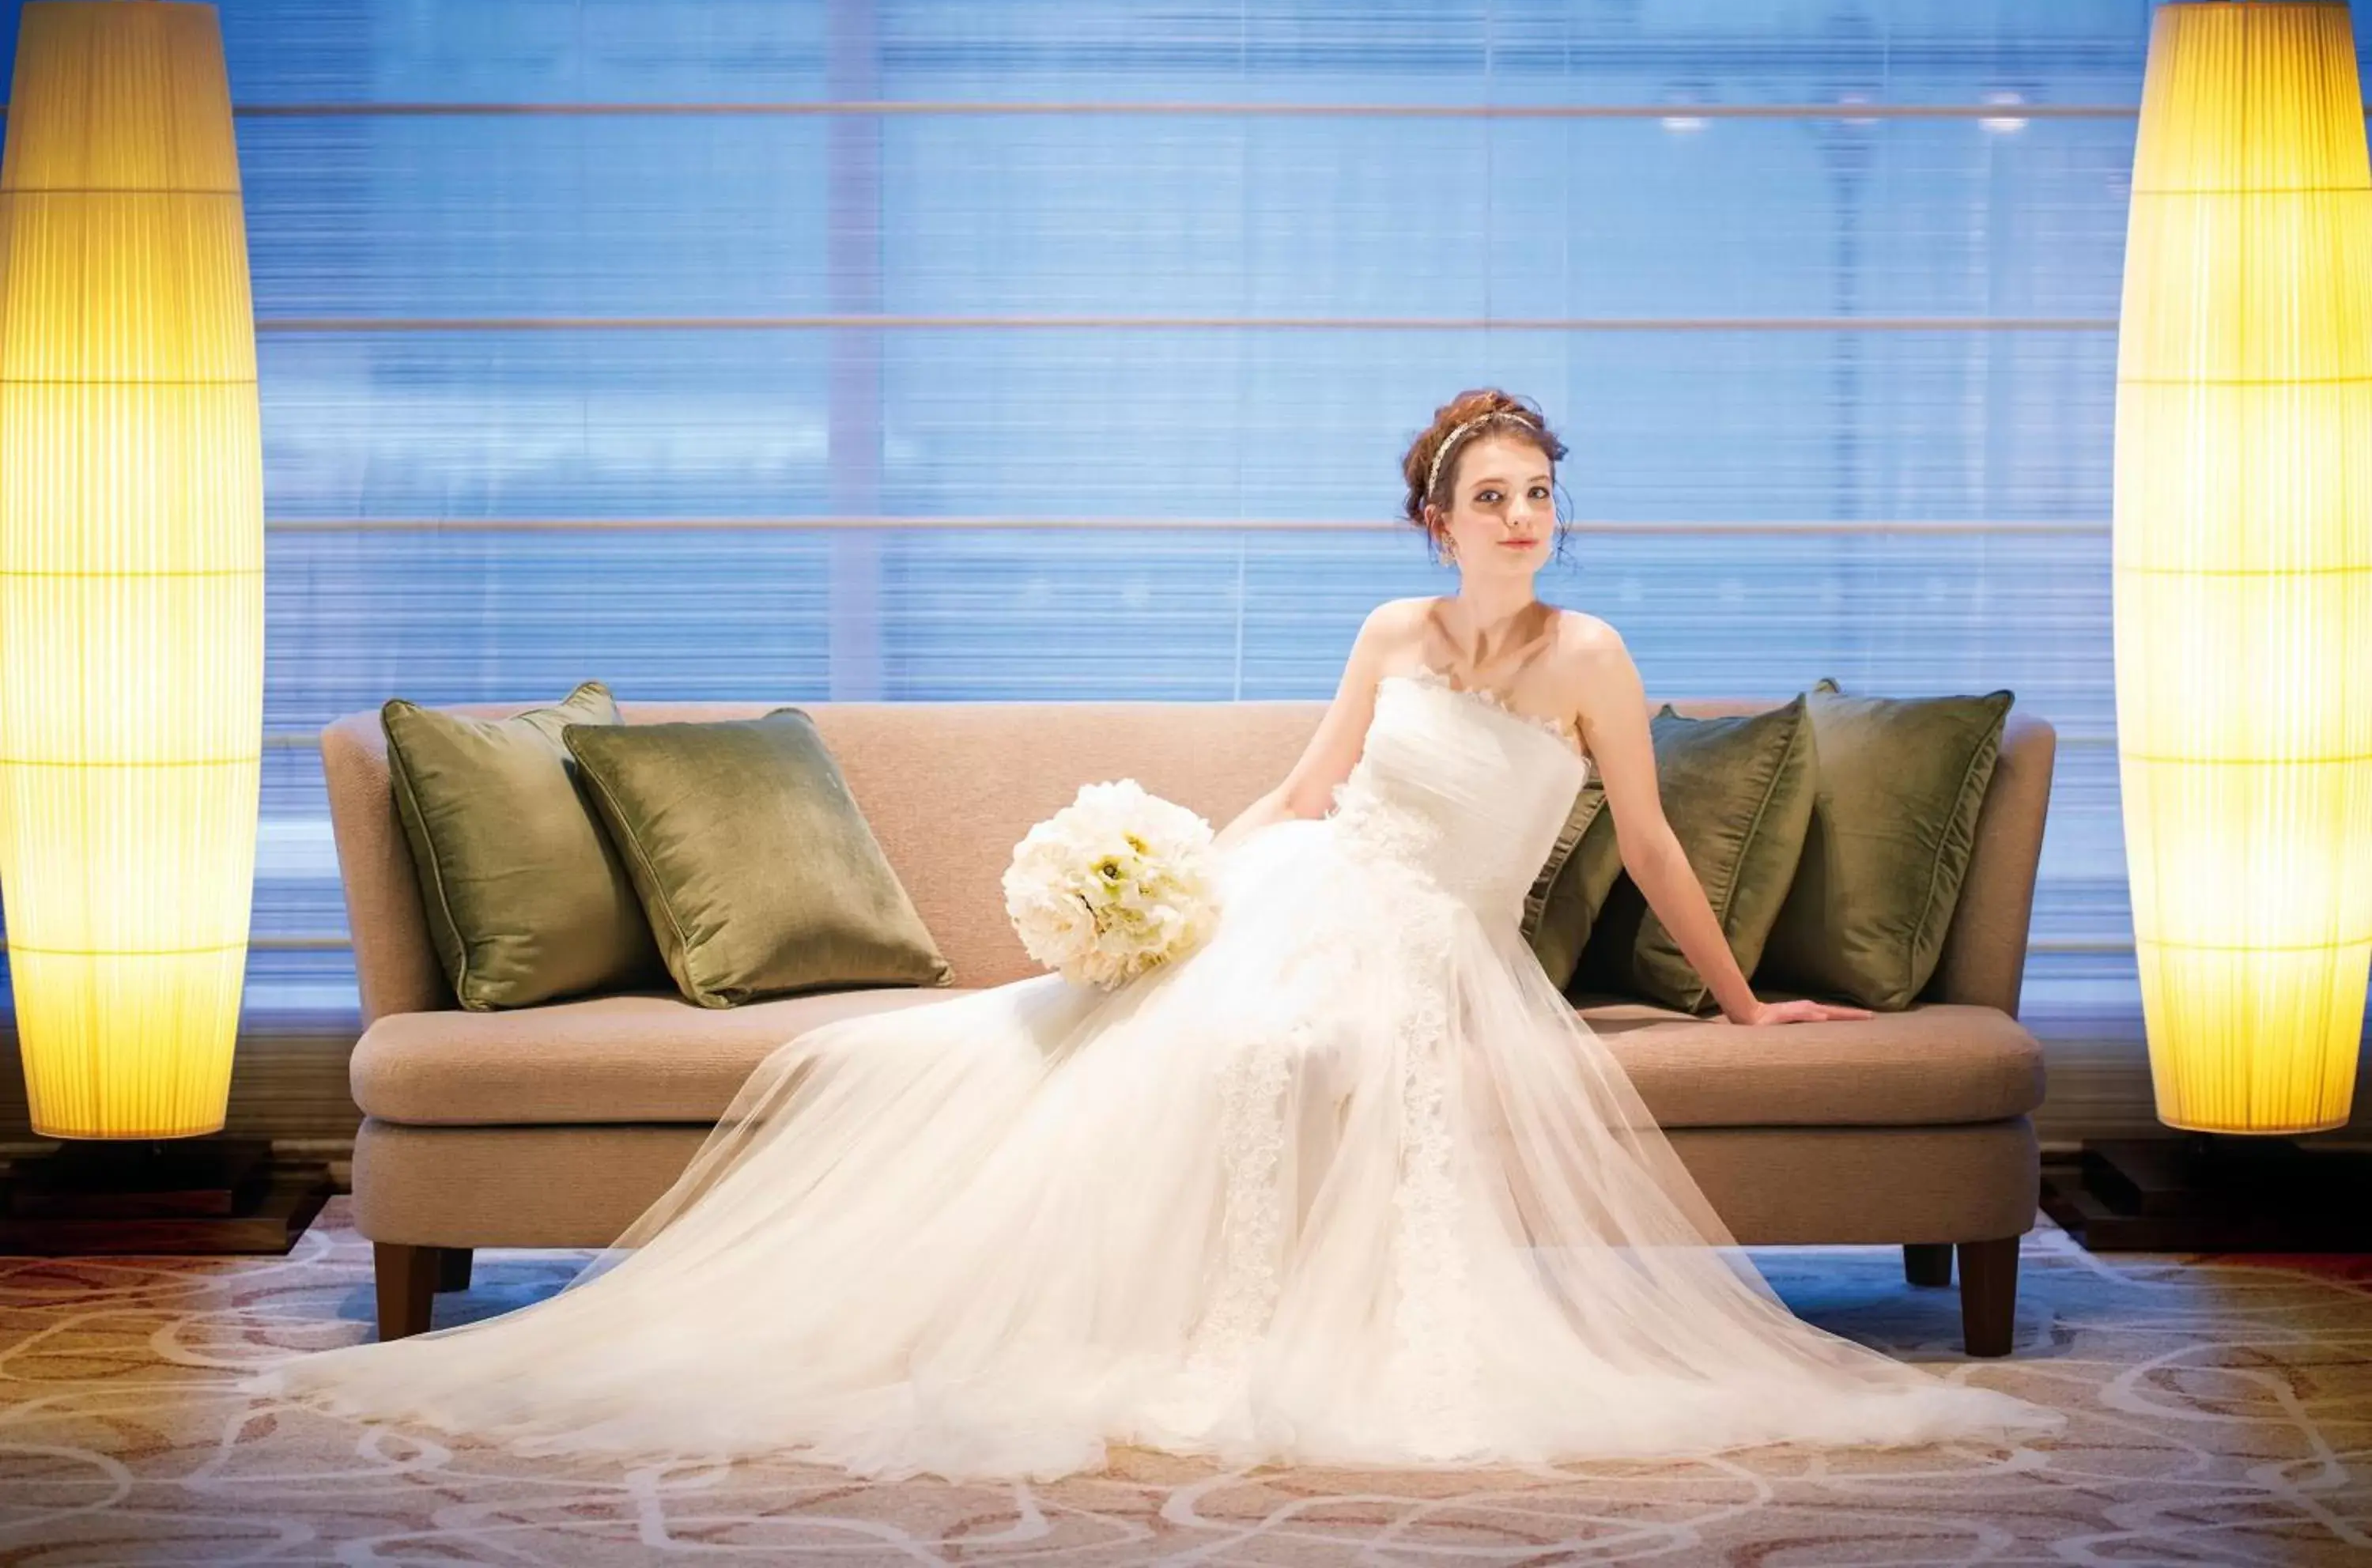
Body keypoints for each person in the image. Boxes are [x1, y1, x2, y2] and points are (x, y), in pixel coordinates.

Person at [240, 388, 2064, 1481]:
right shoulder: (1387, 631)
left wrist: (1746, 1008)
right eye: (1487, 495)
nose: (1520, 515)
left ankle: (1266, 1337)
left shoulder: (1592, 660)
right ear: (1435, 521)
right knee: (1160, 1033)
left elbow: (1656, 847)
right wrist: (1180, 872)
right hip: (1314, 890)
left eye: (1538, 490)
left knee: (1319, 1049)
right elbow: (1308, 788)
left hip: (1443, 945)